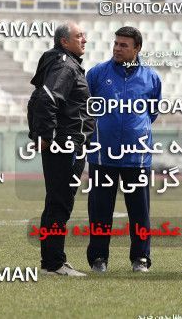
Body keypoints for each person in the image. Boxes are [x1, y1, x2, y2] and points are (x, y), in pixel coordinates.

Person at [85, 26, 162, 273]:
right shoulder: (97, 74)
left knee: (139, 212)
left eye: (124, 45)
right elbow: (86, 109)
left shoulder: (151, 78)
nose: (117, 48)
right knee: (100, 211)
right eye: (116, 44)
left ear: (137, 48)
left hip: (137, 157)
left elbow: (152, 112)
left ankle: (140, 259)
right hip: (101, 154)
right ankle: (98, 259)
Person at [27, 21, 95, 276]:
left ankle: (51, 262)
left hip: (64, 142)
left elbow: (37, 99)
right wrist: (47, 135)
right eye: (79, 36)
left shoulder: (59, 62)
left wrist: (41, 134)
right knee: (60, 203)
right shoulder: (65, 65)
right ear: (64, 41)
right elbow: (46, 99)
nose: (84, 39)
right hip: (67, 144)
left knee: (55, 202)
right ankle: (55, 263)